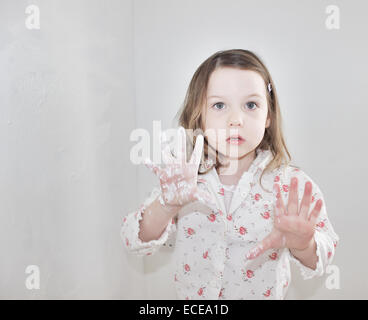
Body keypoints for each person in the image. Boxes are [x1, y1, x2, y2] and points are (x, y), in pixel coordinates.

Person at [120, 49, 339, 300]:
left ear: (268, 115)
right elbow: (133, 242)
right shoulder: (182, 182)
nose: (236, 119)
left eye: (251, 105)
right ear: (200, 116)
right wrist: (166, 206)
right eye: (219, 105)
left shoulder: (291, 186)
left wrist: (304, 245)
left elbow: (323, 254)